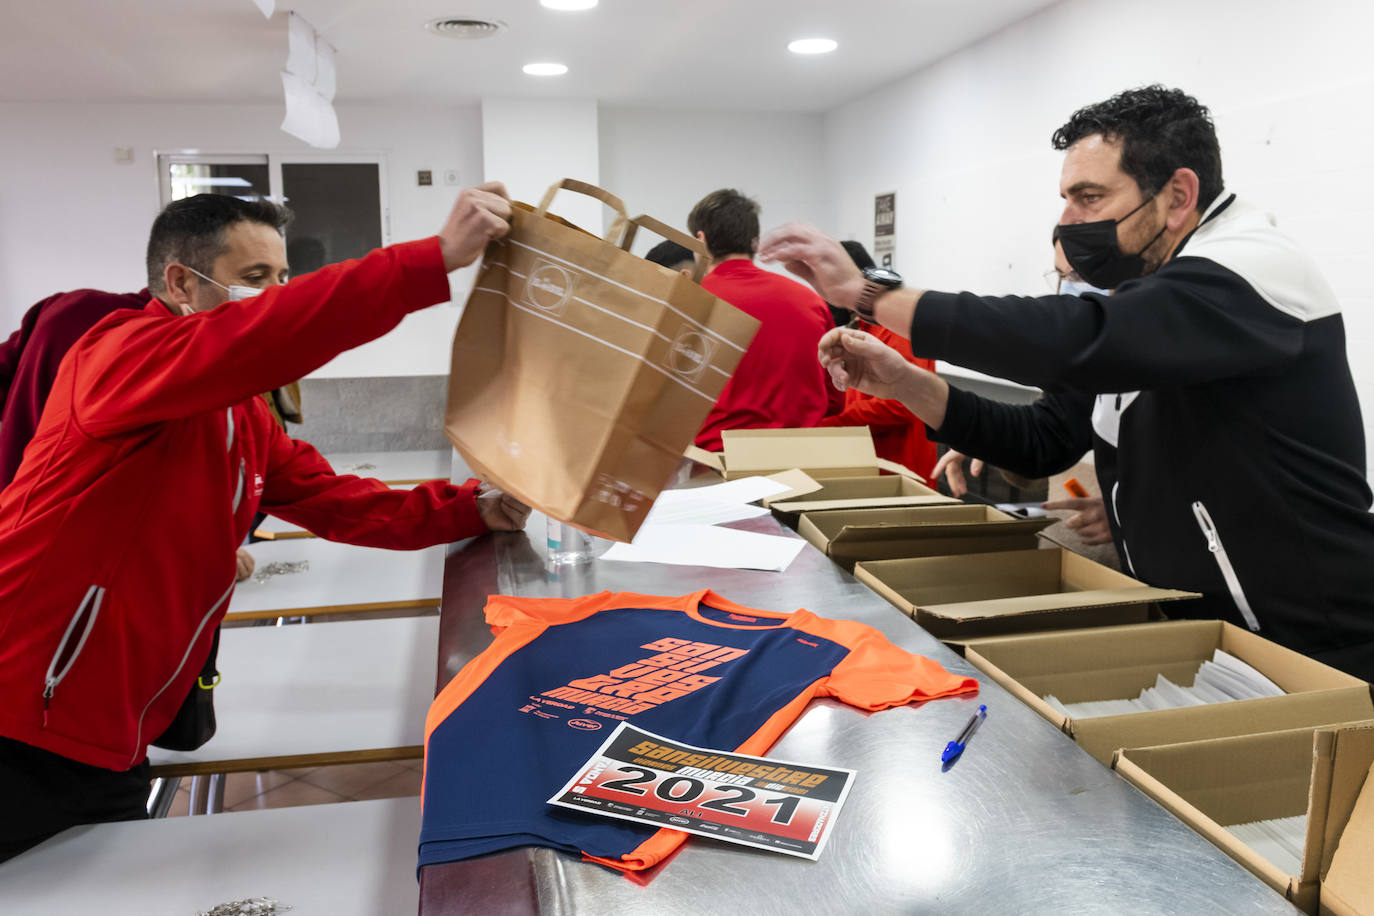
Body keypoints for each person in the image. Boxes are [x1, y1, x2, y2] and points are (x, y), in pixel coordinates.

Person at [759, 85, 1374, 679]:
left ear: (1178, 194)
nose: (1069, 221)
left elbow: (1074, 339)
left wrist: (871, 294)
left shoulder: (1251, 269)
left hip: (1311, 644)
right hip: (1210, 634)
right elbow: (1044, 435)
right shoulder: (1153, 300)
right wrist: (903, 383)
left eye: (1089, 197)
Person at [0, 186, 530, 861]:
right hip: (22, 705)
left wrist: (469, 508)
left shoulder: (241, 415)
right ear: (181, 283)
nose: (274, 294)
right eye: (255, 279)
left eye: (283, 278)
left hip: (105, 721)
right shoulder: (116, 355)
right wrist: (428, 261)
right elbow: (263, 334)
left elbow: (333, 498)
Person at [686, 188, 837, 450]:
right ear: (754, 242)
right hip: (804, 459)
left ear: (701, 239)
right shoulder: (810, 301)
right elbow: (836, 395)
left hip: (718, 459)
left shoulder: (691, 301)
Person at [816, 241, 939, 479]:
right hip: (875, 461)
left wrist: (827, 426)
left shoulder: (897, 328)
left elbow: (899, 405)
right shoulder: (867, 328)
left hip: (901, 468)